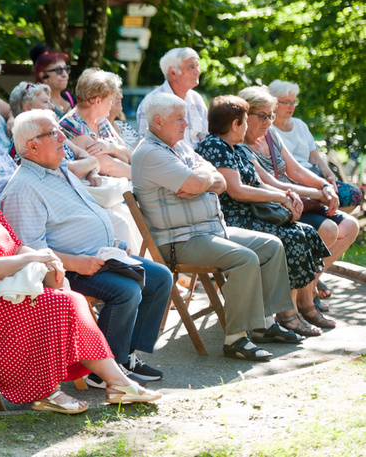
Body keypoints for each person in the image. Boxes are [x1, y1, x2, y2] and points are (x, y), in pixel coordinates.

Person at [0, 140, 160, 411]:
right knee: (64, 303)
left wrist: (48, 258)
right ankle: (48, 392)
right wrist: (35, 257)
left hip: (5, 290)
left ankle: (117, 383)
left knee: (72, 299)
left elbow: (17, 245)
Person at [1, 110, 171, 386]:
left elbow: (86, 213)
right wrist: (76, 262)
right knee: (127, 291)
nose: (62, 138)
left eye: (60, 131)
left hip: (101, 257)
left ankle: (124, 356)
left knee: (160, 278)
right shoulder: (22, 189)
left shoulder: (59, 170)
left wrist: (114, 245)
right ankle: (103, 370)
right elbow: (29, 251)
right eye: (52, 134)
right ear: (31, 146)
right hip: (68, 271)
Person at [132, 93, 303, 360]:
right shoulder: (150, 153)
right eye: (179, 119)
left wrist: (201, 181)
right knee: (245, 259)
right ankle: (236, 339)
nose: (186, 124)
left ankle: (264, 323)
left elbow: (218, 182)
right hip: (181, 241)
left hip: (210, 231)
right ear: (157, 121)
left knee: (271, 245)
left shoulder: (180, 147)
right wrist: (200, 182)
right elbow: (199, 182)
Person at [195, 96, 331, 337]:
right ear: (235, 124)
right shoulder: (214, 146)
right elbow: (236, 190)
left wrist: (288, 195)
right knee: (291, 238)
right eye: (246, 121)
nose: (248, 127)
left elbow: (263, 182)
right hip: (232, 219)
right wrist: (280, 199)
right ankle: (286, 314)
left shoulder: (238, 148)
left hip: (251, 215)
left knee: (306, 232)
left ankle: (302, 306)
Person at [237, 86, 355, 317]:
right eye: (262, 115)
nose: (268, 121)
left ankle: (310, 286)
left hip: (291, 201)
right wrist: (320, 193)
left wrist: (323, 185)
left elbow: (295, 169)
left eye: (271, 115)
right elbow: (270, 183)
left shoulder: (269, 133)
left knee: (350, 226)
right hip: (272, 208)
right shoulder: (239, 145)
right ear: (244, 116)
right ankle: (304, 296)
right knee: (329, 230)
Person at [269, 79, 362, 210]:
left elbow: (315, 158)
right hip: (292, 182)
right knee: (323, 202)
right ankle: (327, 224)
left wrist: (329, 175)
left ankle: (335, 223)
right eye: (287, 102)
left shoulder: (300, 125)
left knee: (354, 195)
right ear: (274, 103)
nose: (292, 106)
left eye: (294, 102)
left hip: (315, 176)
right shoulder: (268, 130)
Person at [58, 69, 133, 178]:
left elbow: (130, 154)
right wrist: (146, 177)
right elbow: (110, 167)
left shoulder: (101, 120)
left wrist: (112, 148)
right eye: (110, 100)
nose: (111, 104)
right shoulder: (71, 125)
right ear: (98, 101)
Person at [136, 47, 207, 149]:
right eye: (191, 67)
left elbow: (206, 140)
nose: (197, 71)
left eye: (197, 66)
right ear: (172, 72)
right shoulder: (152, 103)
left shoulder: (197, 100)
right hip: (167, 162)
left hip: (198, 162)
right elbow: (146, 146)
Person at [30, 44, 74, 119]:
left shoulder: (72, 99)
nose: (65, 75)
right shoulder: (36, 103)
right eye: (58, 70)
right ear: (43, 75)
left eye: (66, 69)